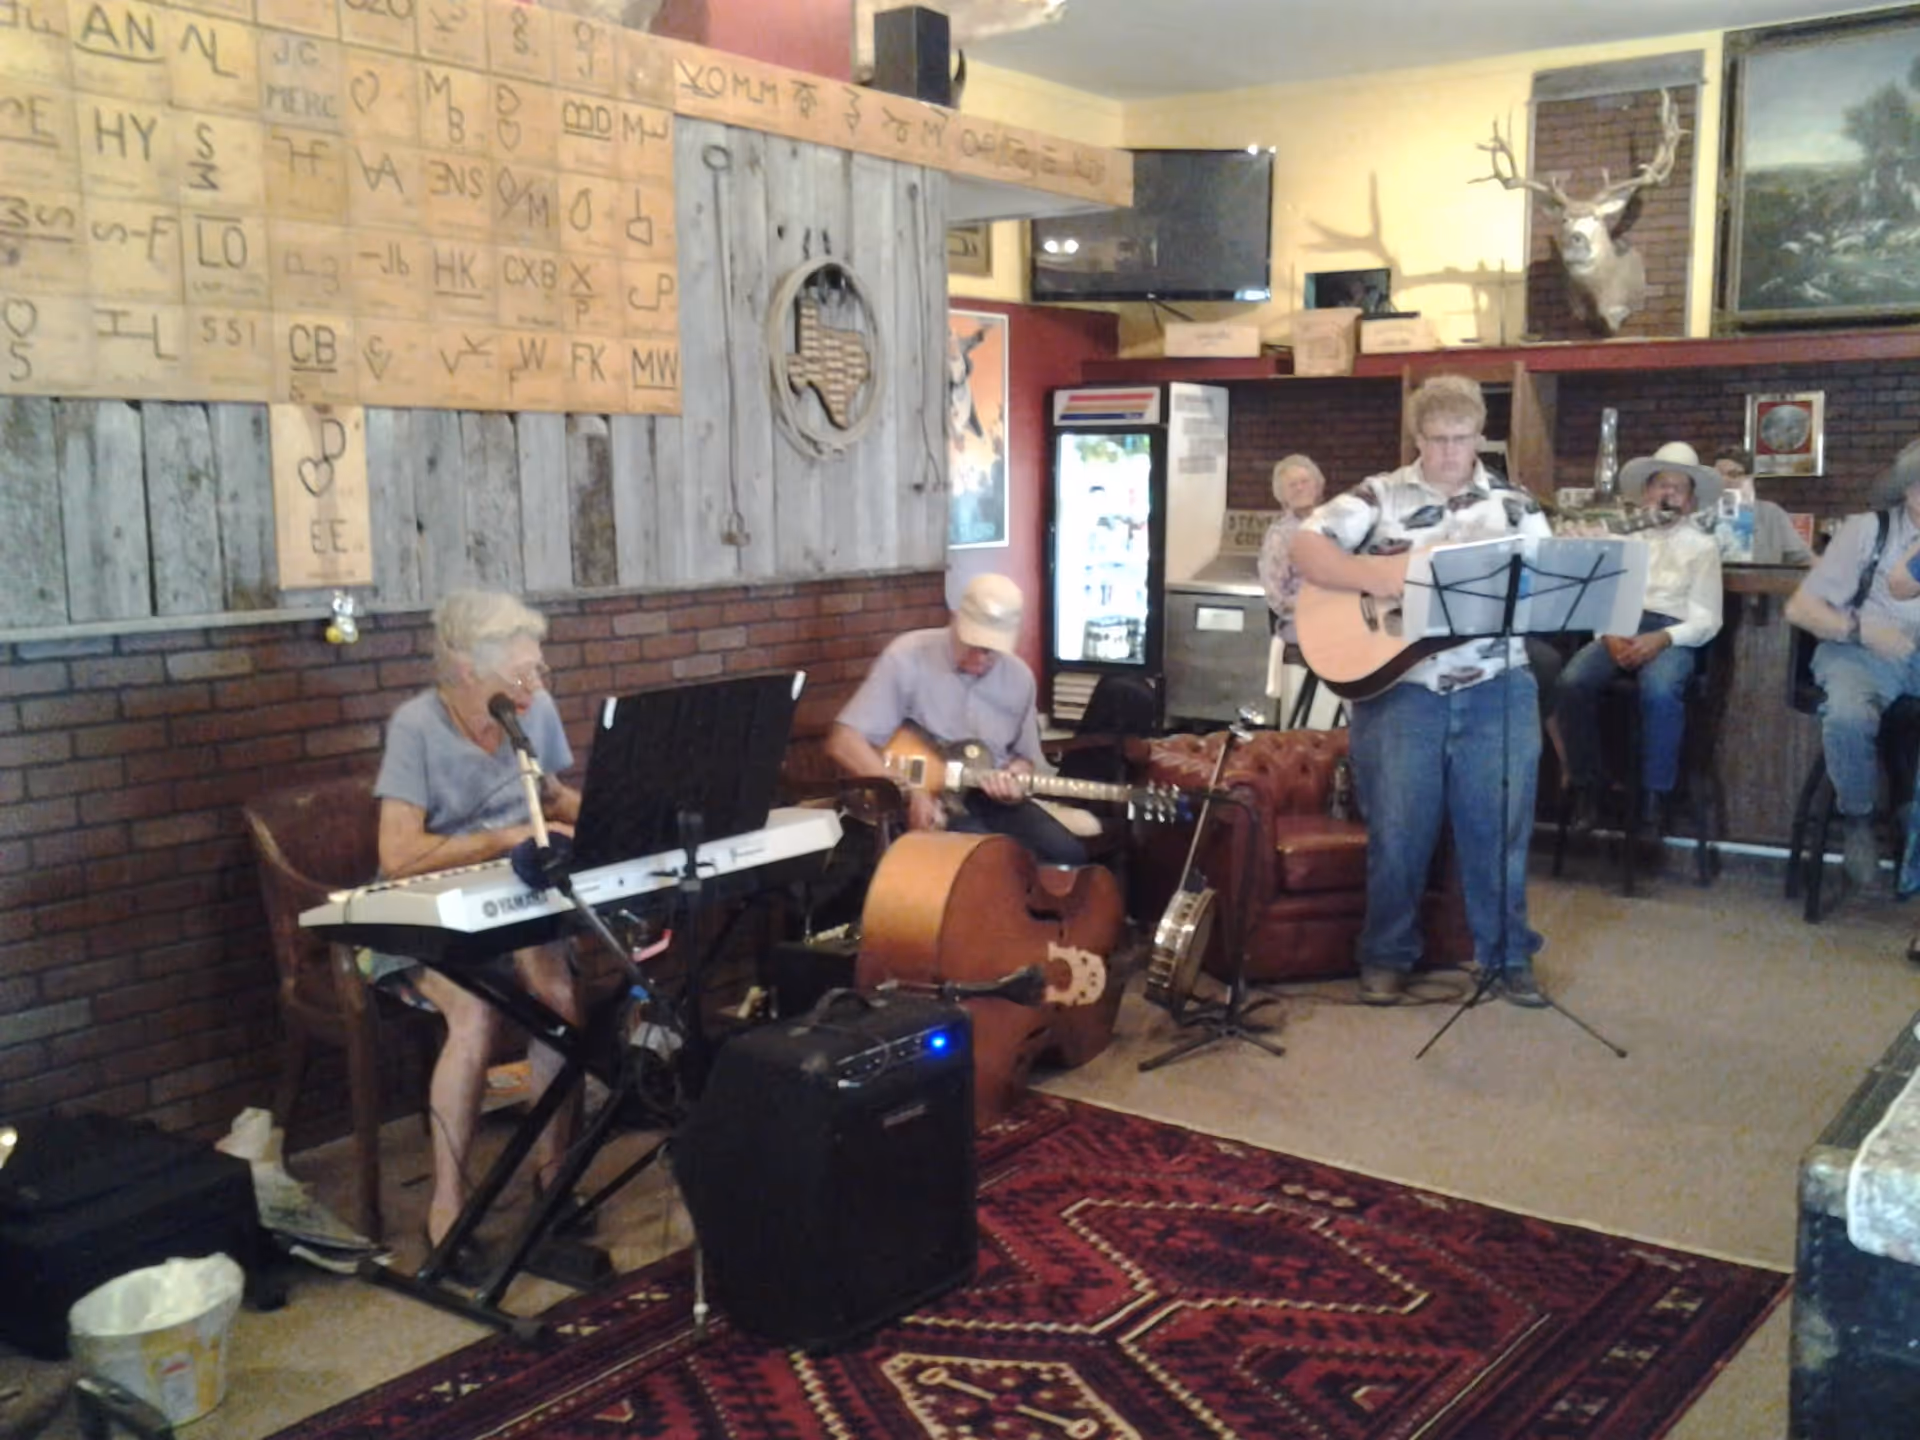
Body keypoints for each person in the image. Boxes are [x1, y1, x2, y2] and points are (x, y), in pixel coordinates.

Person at [1290, 374, 1553, 1008]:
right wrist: (1387, 575)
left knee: (1500, 830)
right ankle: (1386, 955)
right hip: (1401, 685)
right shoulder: (1378, 496)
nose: (1447, 453)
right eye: (1435, 440)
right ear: (1417, 439)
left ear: (1480, 437)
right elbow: (1307, 547)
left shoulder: (1517, 507)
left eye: (1460, 439)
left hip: (1498, 683)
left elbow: (1544, 590)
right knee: (1400, 830)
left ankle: (1507, 956)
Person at [370, 590, 584, 1266]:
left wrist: (621, 812)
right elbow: (398, 854)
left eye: (539, 671)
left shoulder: (533, 711)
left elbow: (550, 797)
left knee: (558, 1002)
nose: (535, 687)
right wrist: (503, 838)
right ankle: (448, 1208)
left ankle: (552, 1176)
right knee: (476, 1016)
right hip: (422, 908)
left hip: (512, 896)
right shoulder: (416, 725)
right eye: (520, 676)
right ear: (466, 672)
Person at [825, 572, 1087, 867]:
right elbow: (844, 741)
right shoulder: (908, 656)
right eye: (970, 643)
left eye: (989, 651)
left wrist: (1014, 780)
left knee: (1067, 854)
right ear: (954, 620)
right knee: (986, 862)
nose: (979, 658)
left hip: (990, 797)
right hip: (929, 796)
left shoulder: (1020, 679)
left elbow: (1024, 758)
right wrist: (906, 793)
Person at [1558, 441, 1724, 837]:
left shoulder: (1703, 547)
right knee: (1571, 683)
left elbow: (1708, 618)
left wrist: (1663, 638)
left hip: (1672, 634)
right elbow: (1599, 596)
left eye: (1678, 488)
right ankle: (1589, 787)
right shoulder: (1622, 539)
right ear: (1647, 493)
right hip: (1620, 626)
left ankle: (1655, 797)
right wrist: (1609, 633)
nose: (1668, 494)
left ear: (1689, 500)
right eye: (1661, 485)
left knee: (1660, 690)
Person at [1785, 438, 1920, 895]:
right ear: (1908, 490)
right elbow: (1802, 609)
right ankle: (1858, 819)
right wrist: (1863, 631)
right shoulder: (1866, 531)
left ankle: (1910, 814)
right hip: (1861, 650)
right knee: (1847, 716)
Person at [1257, 454, 1342, 728]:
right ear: (1281, 495)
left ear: (1319, 486)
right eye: (1292, 485)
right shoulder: (1280, 536)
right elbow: (1277, 597)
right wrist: (1318, 604)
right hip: (1302, 624)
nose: (1300, 488)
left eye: (1305, 481)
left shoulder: (1338, 524)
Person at [1710, 445, 1814, 566]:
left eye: (1733, 474)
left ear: (1748, 478)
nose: (1723, 481)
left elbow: (1802, 558)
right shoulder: (1702, 513)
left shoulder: (1771, 514)